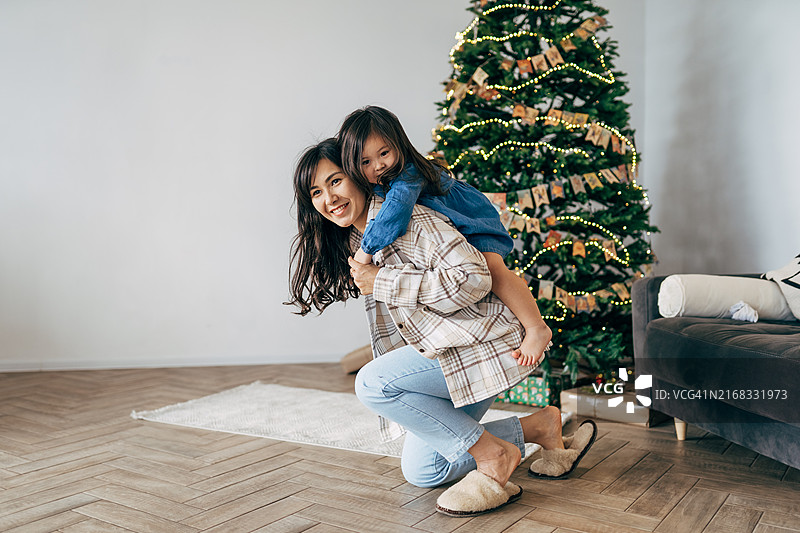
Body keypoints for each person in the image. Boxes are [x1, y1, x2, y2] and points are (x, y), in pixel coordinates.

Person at [287, 139, 597, 517]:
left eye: (335, 181)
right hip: (449, 351)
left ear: (356, 174)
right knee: (425, 470)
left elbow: (475, 279)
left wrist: (383, 280)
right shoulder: (359, 239)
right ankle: (539, 427)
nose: (328, 198)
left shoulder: (410, 221)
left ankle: (495, 456)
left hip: (483, 344)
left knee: (372, 383)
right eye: (316, 192)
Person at [338, 106, 552, 367]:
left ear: (399, 145)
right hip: (454, 227)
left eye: (384, 153)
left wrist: (365, 250)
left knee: (493, 270)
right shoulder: (380, 184)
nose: (379, 165)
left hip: (471, 219)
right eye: (366, 162)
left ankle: (537, 327)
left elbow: (395, 215)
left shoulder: (408, 175)